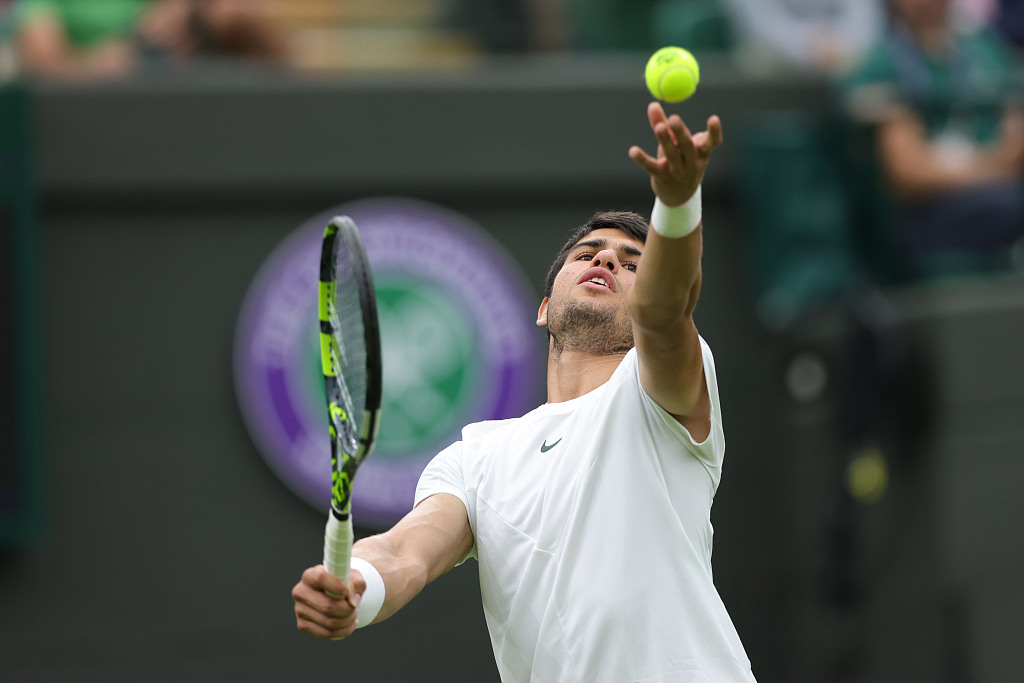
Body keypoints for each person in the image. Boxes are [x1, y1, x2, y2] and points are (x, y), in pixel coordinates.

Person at [291, 101, 757, 682]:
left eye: (632, 263)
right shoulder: (478, 456)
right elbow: (407, 551)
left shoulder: (659, 395)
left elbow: (665, 312)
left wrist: (679, 202)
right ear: (544, 309)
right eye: (589, 254)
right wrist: (353, 589)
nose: (608, 258)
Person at [840, 0, 1024, 279]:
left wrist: (959, 168)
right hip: (924, 222)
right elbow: (910, 175)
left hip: (1002, 204)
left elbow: (1016, 152)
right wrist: (989, 168)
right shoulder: (879, 64)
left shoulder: (990, 51)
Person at [15, 0, 282, 80]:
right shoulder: (42, 6)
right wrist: (131, 42)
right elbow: (46, 67)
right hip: (98, 107)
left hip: (188, 90)